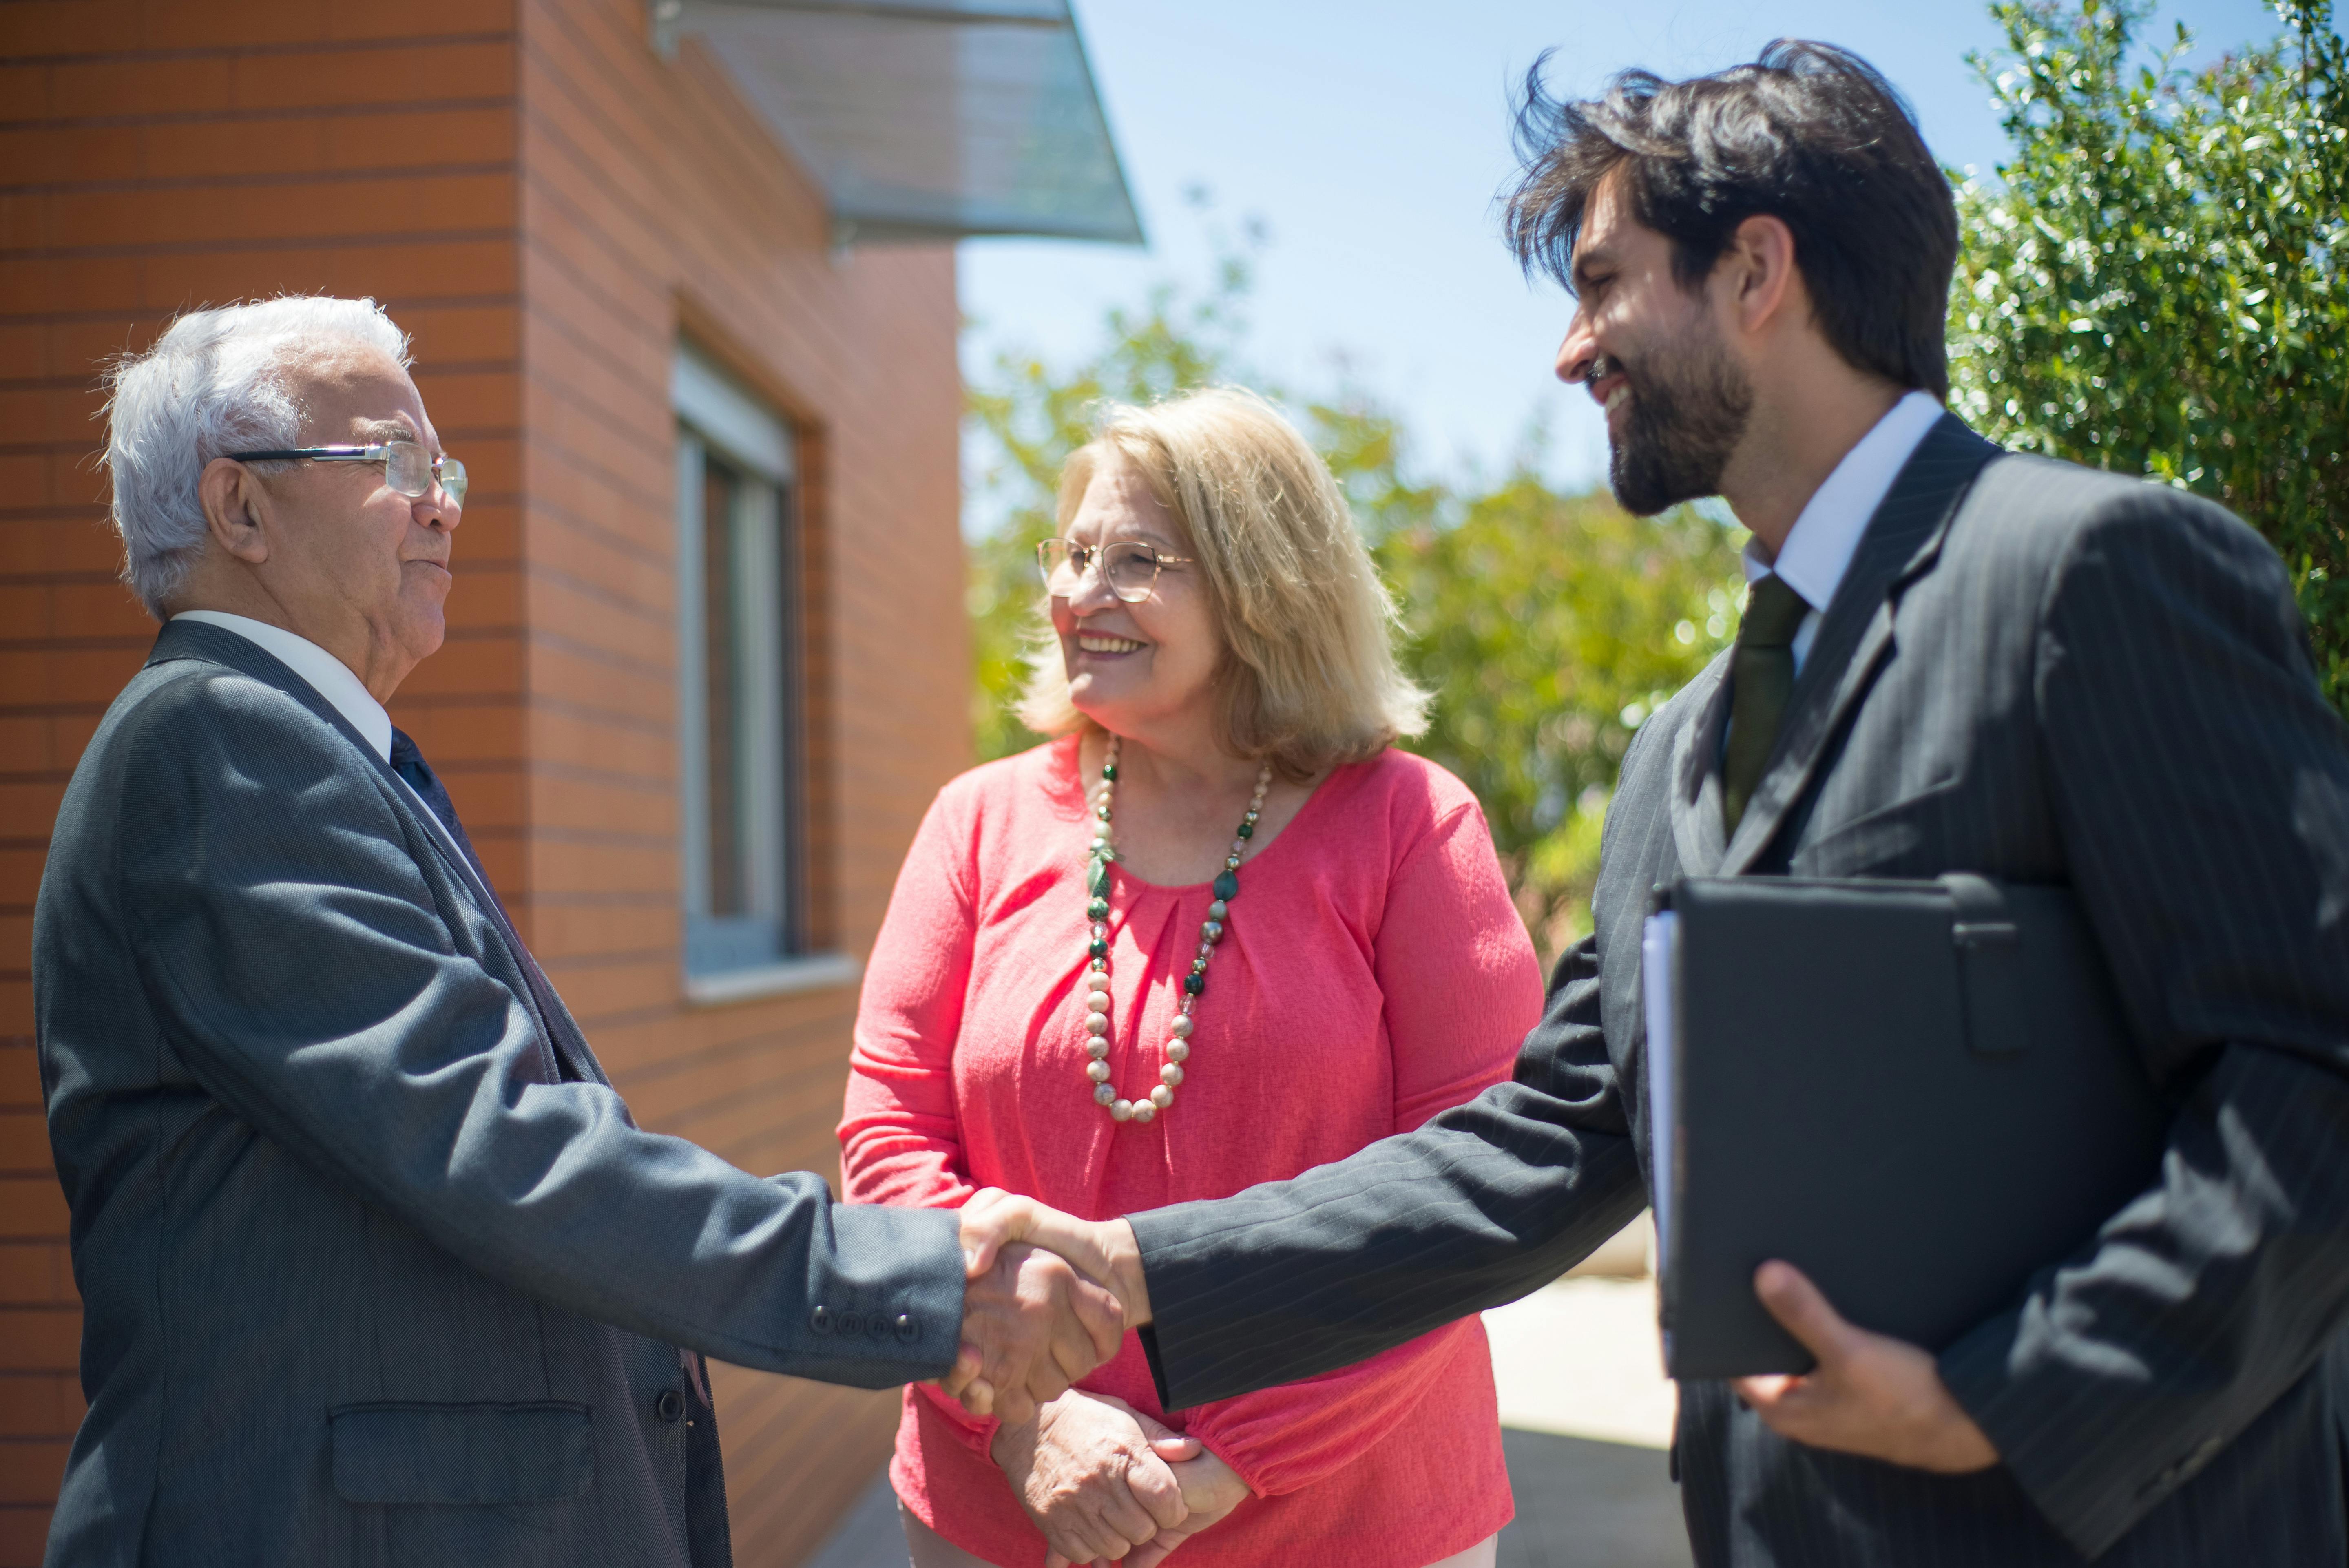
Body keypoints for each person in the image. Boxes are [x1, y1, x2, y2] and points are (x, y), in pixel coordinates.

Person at [956, 42, 2349, 1568]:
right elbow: (1546, 1145)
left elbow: (2310, 1069)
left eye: (1606, 282)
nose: (1572, 350)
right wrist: (1139, 1264)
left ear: (1759, 272)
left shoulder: (2098, 577)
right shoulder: (1679, 752)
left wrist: (2005, 1397)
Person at [32, 296, 1120, 1568]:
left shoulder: (298, 745)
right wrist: (912, 1278)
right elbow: (495, 1146)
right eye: (391, 463)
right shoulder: (219, 745)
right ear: (241, 510)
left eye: (443, 469)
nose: (441, 502)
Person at [841, 388, 1542, 1568]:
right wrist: (1027, 1425)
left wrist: (1229, 1461)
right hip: (1006, 1509)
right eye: (1069, 554)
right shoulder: (978, 823)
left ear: (1260, 586)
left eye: (1136, 559)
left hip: (1355, 1520)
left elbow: (1476, 1195)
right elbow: (888, 1150)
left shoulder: (1412, 828)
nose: (1077, 592)